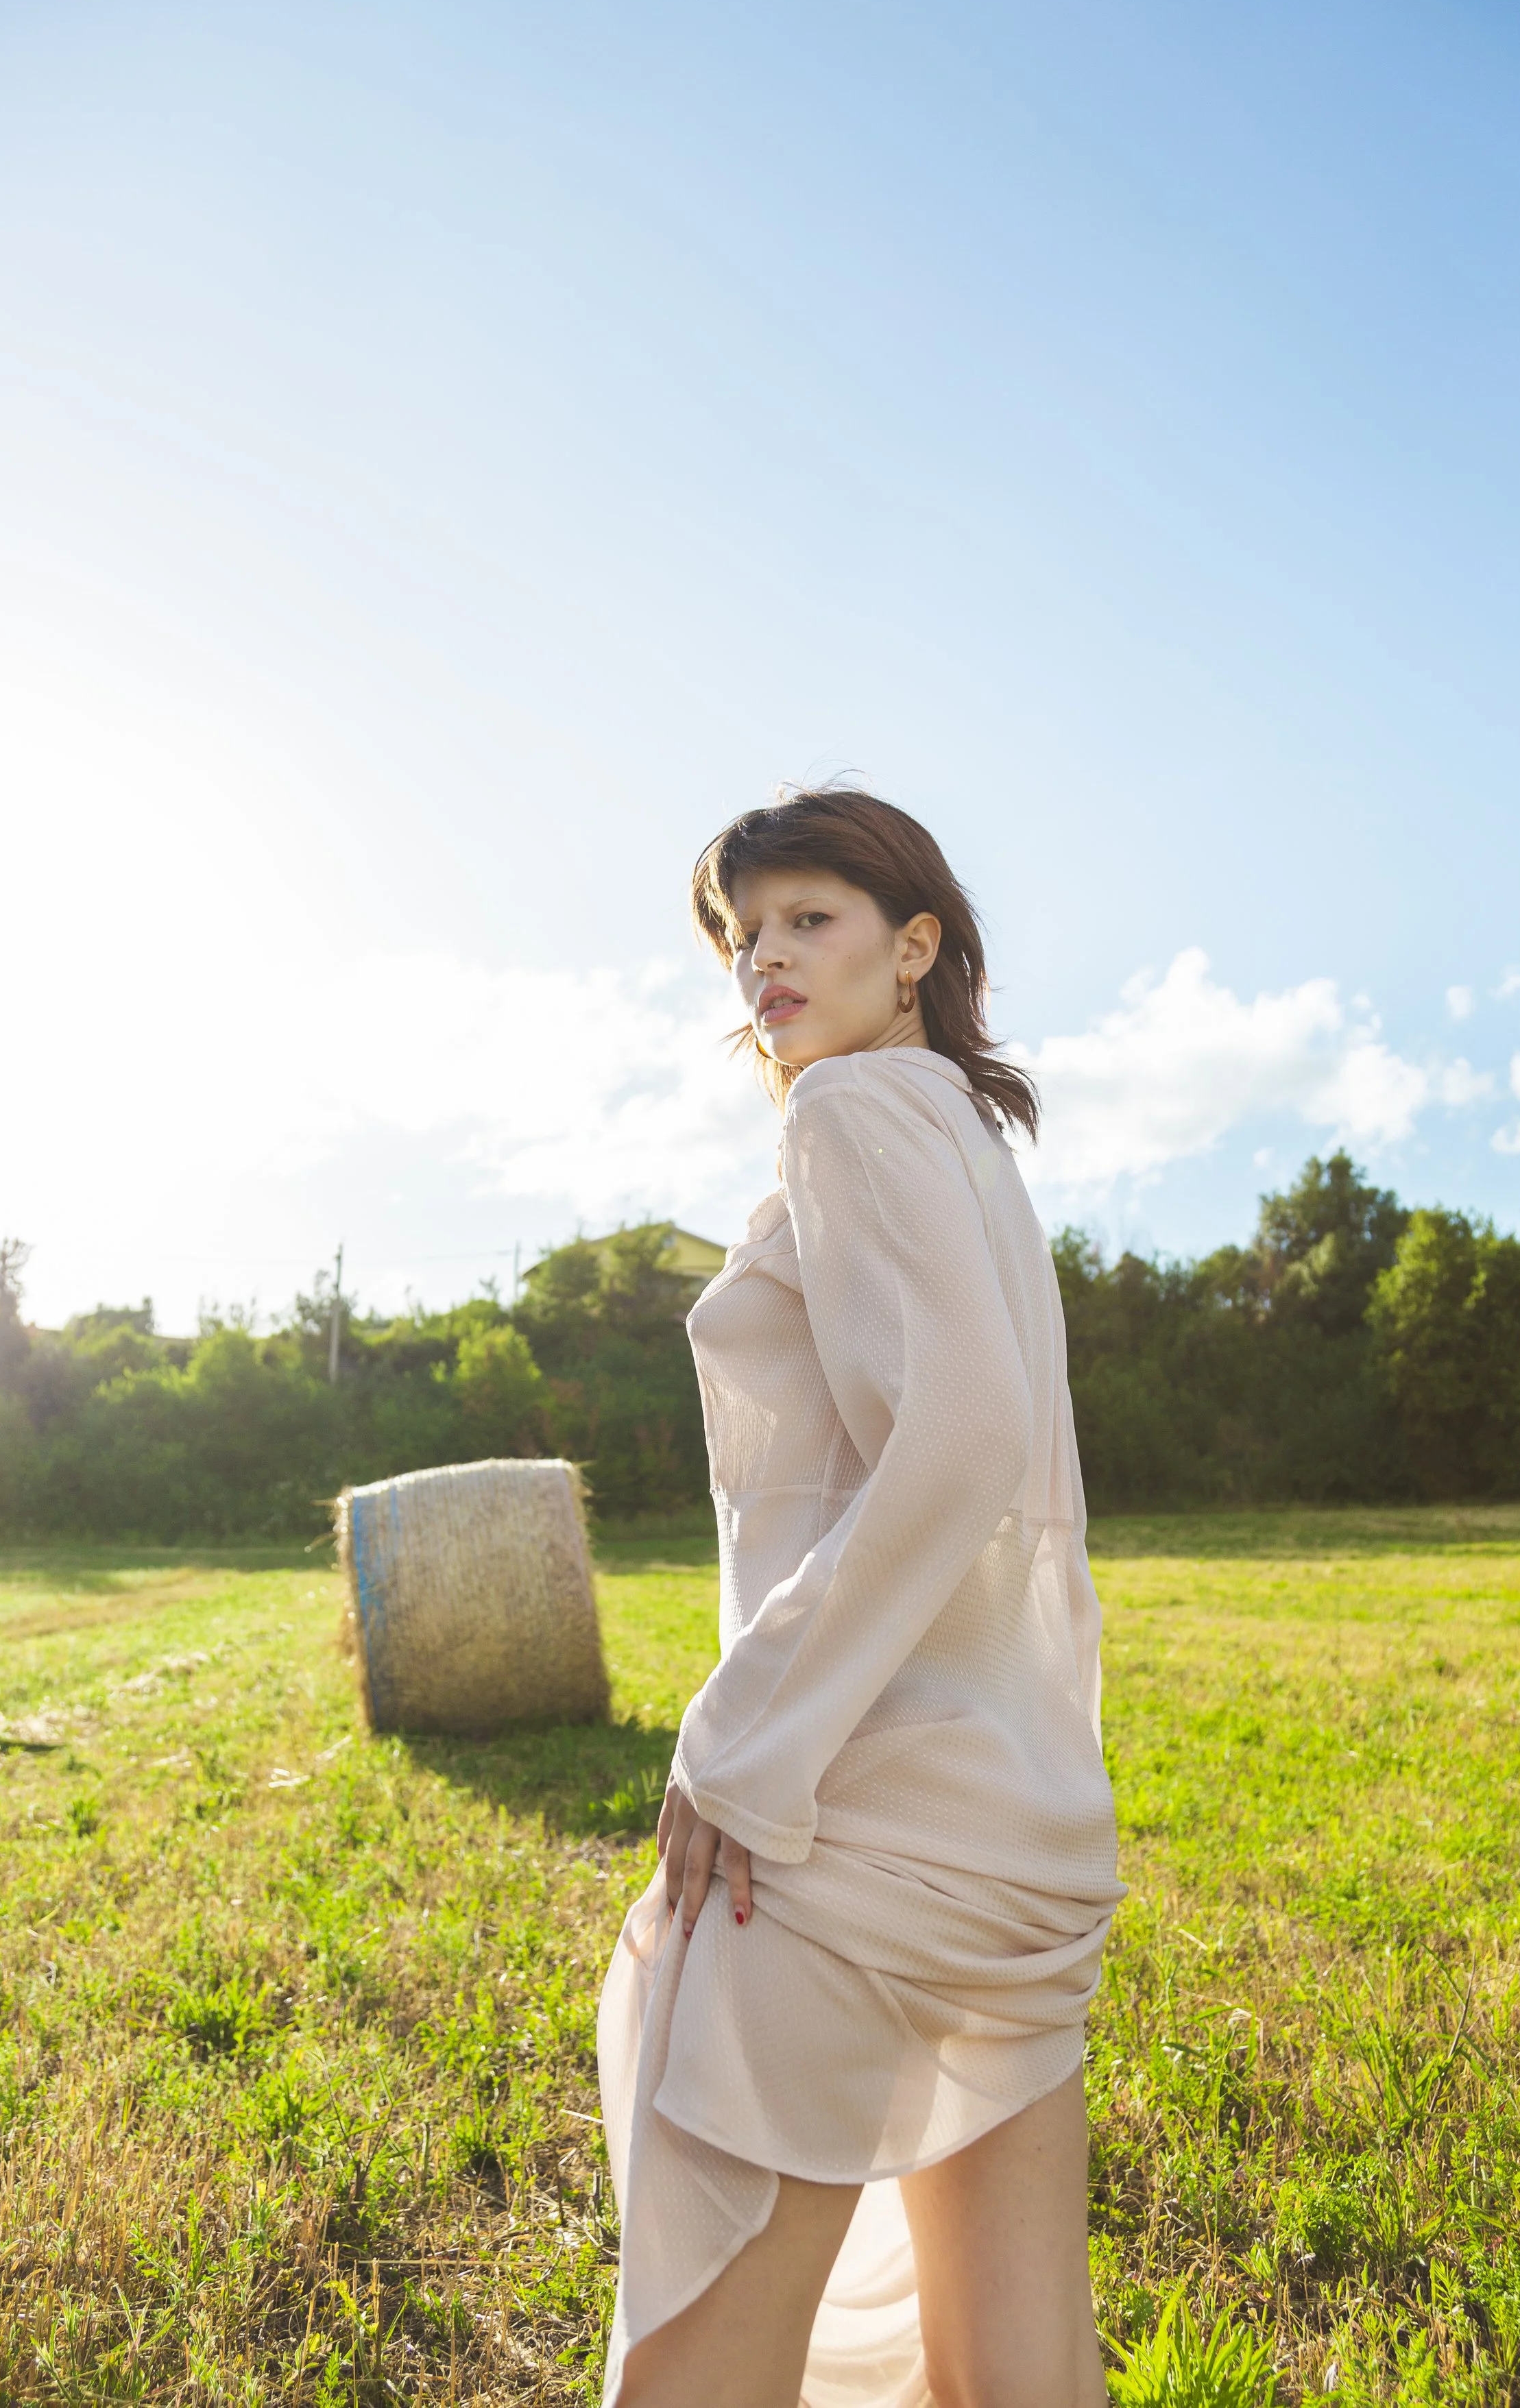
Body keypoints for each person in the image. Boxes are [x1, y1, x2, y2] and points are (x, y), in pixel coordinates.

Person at [596, 788, 1124, 2408]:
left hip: (847, 1829)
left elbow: (958, 1443)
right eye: (741, 935)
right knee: (1014, 2380)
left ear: (914, 948)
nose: (760, 956)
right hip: (1009, 1832)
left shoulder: (845, 1118)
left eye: (804, 917)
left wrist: (741, 1737)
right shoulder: (954, 1133)